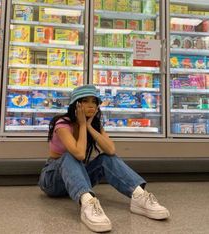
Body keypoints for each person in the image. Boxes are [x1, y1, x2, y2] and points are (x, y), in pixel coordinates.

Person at [39, 85, 170, 233]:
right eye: (85, 101)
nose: (91, 105)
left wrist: (90, 127)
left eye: (94, 101)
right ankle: (88, 203)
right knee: (70, 155)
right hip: (53, 180)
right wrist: (82, 125)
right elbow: (80, 154)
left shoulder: (93, 124)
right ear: (76, 104)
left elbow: (111, 150)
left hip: (77, 178)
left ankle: (139, 196)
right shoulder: (62, 124)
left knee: (107, 158)